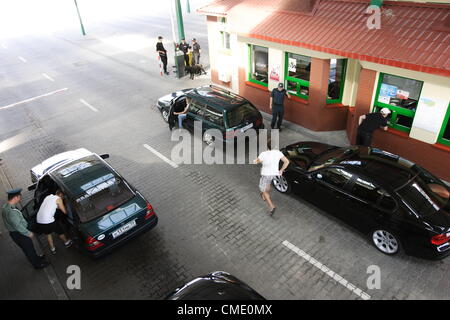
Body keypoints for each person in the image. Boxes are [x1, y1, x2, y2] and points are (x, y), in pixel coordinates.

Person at [1, 188, 49, 269]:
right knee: (29, 249)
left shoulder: (6, 206)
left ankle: (36, 258)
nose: (20, 198)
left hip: (17, 233)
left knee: (29, 248)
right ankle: (38, 265)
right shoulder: (11, 212)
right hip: (20, 234)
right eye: (19, 197)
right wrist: (28, 233)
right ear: (15, 197)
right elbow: (18, 226)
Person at [253, 139, 290, 216]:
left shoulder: (263, 154)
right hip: (274, 174)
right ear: (275, 146)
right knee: (268, 183)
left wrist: (255, 160)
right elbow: (287, 161)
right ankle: (264, 194)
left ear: (267, 146)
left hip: (266, 174)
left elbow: (257, 161)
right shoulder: (278, 153)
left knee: (263, 189)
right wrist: (281, 170)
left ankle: (271, 206)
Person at [36, 190, 72, 255]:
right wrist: (68, 210)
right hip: (48, 220)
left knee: (48, 234)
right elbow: (64, 211)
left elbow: (52, 206)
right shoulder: (58, 199)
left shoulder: (48, 197)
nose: (63, 198)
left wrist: (59, 207)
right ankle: (67, 242)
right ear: (61, 195)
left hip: (39, 220)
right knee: (60, 231)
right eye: (63, 197)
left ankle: (52, 249)